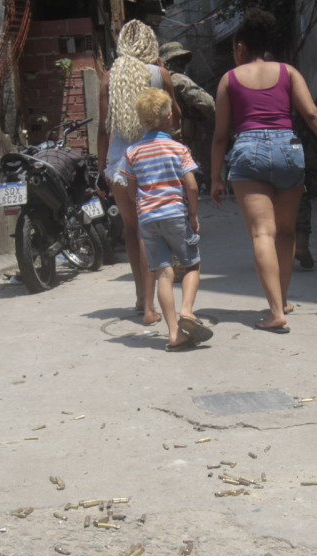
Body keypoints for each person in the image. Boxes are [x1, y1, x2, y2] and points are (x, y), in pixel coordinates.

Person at [211, 8, 317, 332]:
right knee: (286, 233)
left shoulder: (229, 80)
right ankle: (282, 299)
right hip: (288, 150)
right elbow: (313, 116)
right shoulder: (289, 73)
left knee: (263, 233)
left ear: (241, 48)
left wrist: (216, 177)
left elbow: (220, 135)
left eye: (234, 48)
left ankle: (275, 311)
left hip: (248, 151)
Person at [97, 20, 182, 326]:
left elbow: (104, 130)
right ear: (150, 44)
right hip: (153, 160)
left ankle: (139, 297)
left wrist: (101, 167)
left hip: (120, 163)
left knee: (132, 230)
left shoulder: (109, 77)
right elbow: (175, 119)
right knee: (151, 231)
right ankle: (149, 306)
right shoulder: (160, 75)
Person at [120, 88, 212, 352]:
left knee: (163, 272)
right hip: (174, 214)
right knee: (191, 265)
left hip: (148, 218)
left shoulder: (132, 152)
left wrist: (141, 205)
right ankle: (187, 311)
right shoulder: (178, 148)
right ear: (170, 116)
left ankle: (174, 333)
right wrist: (193, 214)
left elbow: (130, 187)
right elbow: (192, 186)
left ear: (141, 120)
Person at [158, 41, 216, 192]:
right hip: (179, 145)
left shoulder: (154, 82)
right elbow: (208, 103)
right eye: (179, 60)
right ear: (169, 63)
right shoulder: (178, 79)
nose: (182, 64)